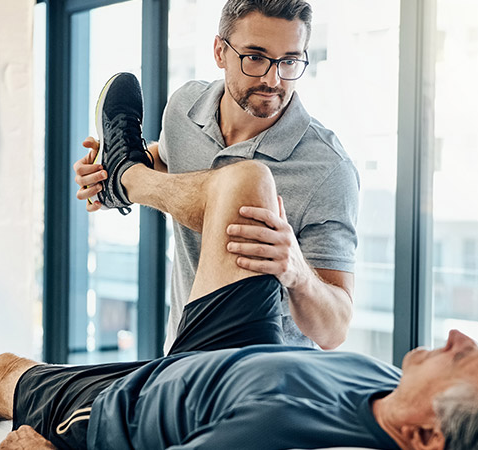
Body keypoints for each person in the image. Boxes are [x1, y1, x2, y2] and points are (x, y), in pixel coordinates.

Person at [0, 82, 478, 449]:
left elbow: (334, 324)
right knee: (246, 180)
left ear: (425, 437)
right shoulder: (397, 395)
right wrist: (150, 176)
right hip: (237, 349)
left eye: (466, 358)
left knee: (4, 372)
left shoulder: (281, 444)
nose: (456, 335)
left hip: (142, 405)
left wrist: (298, 272)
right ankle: (129, 172)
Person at [74, 0, 358, 354]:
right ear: (220, 51)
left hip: (265, 380)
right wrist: (107, 172)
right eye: (255, 57)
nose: (273, 79)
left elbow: (334, 332)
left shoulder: (328, 168)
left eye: (289, 61)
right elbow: (169, 164)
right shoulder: (183, 109)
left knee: (246, 184)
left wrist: (296, 271)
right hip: (181, 356)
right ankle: (123, 175)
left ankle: (127, 178)